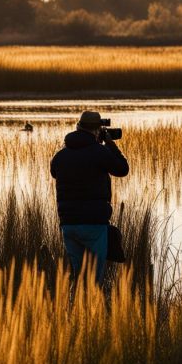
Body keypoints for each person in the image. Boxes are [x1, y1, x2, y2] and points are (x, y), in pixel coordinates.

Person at [50, 111, 129, 285]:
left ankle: (76, 309)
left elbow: (55, 172)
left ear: (78, 127)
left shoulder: (60, 156)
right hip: (94, 225)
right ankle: (92, 310)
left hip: (68, 225)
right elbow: (122, 169)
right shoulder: (100, 152)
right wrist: (110, 144)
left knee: (78, 279)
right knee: (94, 282)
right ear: (96, 131)